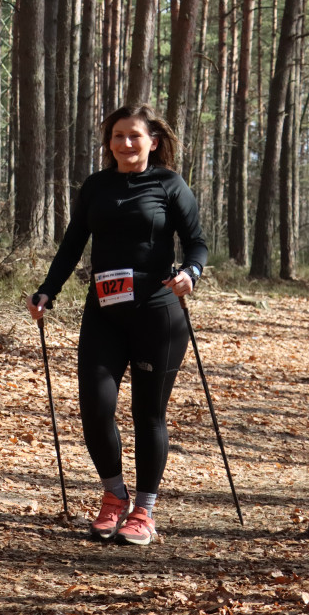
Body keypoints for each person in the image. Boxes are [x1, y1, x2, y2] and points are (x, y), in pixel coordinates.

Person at [26, 104, 208, 544]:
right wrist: (48, 289)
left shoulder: (169, 184)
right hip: (104, 309)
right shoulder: (96, 186)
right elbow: (73, 243)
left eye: (135, 136)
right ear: (109, 142)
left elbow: (197, 242)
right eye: (117, 136)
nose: (126, 143)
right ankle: (113, 497)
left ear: (153, 142)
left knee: (148, 414)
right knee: (95, 405)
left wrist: (190, 273)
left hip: (157, 311)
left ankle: (143, 510)